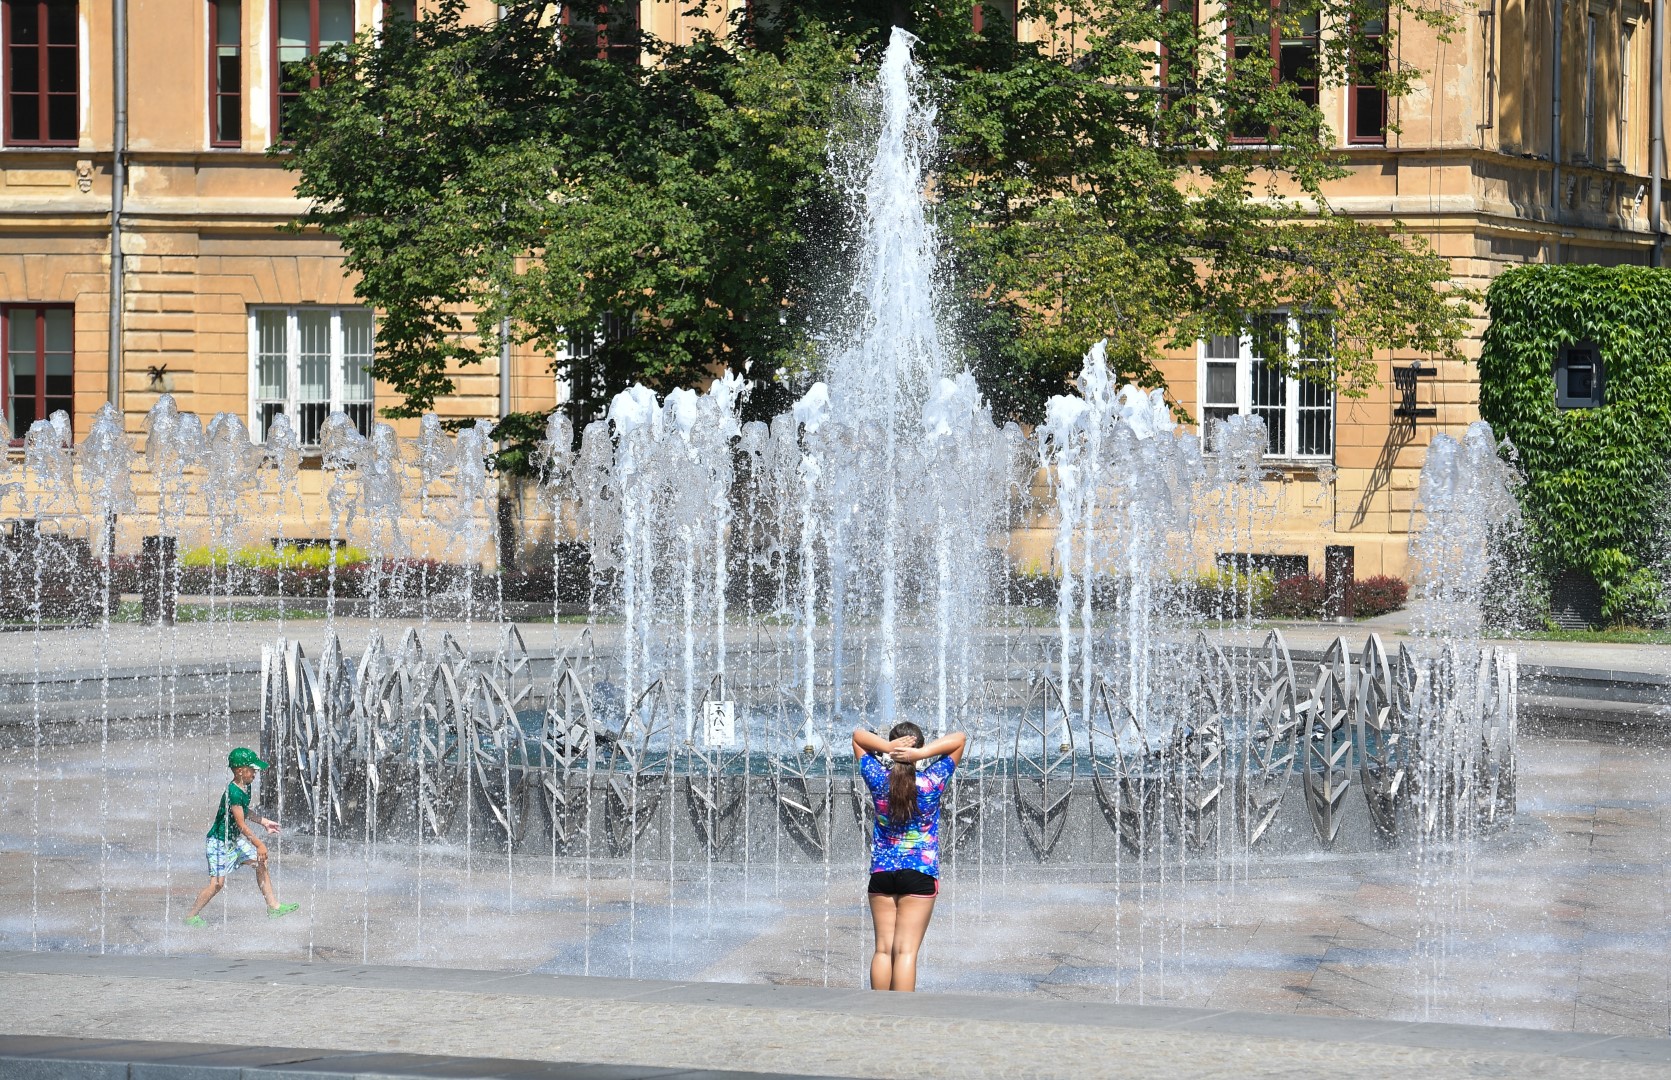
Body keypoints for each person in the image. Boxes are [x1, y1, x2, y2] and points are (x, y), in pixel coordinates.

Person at [852, 721, 966, 992]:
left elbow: (857, 737)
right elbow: (959, 739)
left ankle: (877, 1012)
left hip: (881, 874)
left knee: (882, 950)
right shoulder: (930, 782)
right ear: (920, 748)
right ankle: (901, 1019)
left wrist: (888, 749)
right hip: (919, 875)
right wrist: (919, 755)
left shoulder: (878, 779)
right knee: (905, 953)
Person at [183, 747, 299, 925]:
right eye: (252, 769)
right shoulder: (234, 792)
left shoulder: (246, 786)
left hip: (233, 840)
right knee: (217, 884)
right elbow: (241, 824)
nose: (255, 773)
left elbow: (245, 812)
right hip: (219, 842)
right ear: (239, 771)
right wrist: (259, 844)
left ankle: (273, 907)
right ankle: (191, 916)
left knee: (261, 863)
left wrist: (264, 822)